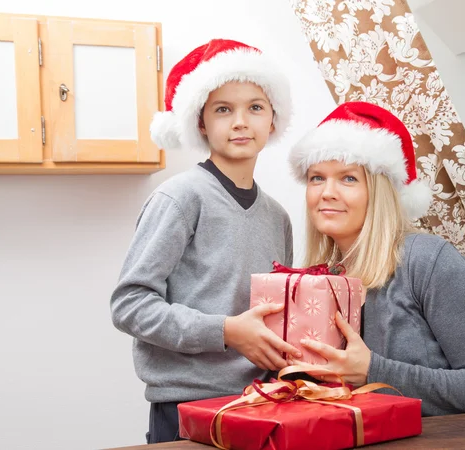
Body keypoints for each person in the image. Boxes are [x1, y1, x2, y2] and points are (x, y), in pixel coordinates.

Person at [110, 38, 301, 443]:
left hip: (262, 402)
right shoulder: (180, 199)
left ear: (273, 119)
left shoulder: (278, 217)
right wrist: (226, 331)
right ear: (201, 122)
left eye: (255, 107)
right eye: (222, 109)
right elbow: (130, 305)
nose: (240, 121)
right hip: (188, 409)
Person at [287, 101, 465, 416]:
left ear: (382, 191)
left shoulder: (428, 261)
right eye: (317, 178)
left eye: (348, 178)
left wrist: (371, 369)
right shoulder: (321, 278)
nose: (326, 192)